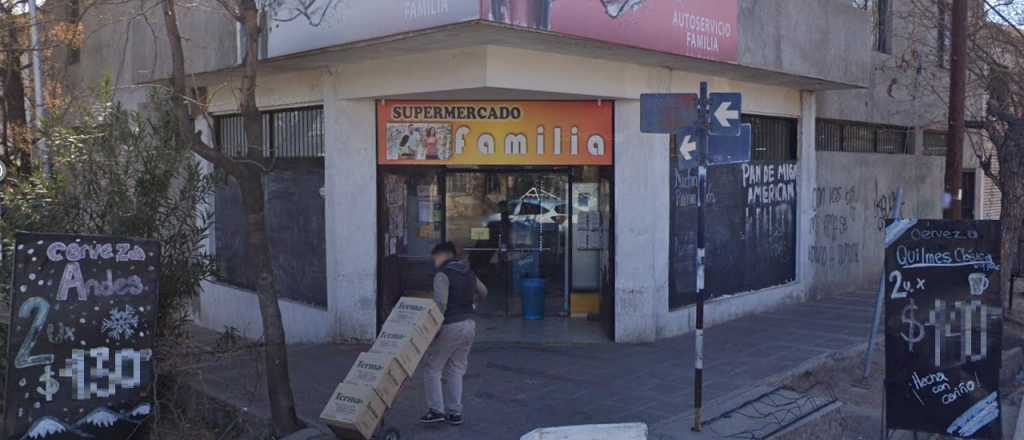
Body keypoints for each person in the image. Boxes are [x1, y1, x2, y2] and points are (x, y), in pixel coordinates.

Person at [420, 242, 487, 426]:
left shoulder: (443, 274)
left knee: (433, 367)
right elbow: (484, 292)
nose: (434, 261)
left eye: (435, 257)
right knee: (456, 368)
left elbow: (440, 304)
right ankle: (455, 413)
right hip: (469, 325)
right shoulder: (468, 272)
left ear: (442, 255)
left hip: (451, 325)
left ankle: (436, 410)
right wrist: (472, 305)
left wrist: (433, 329)